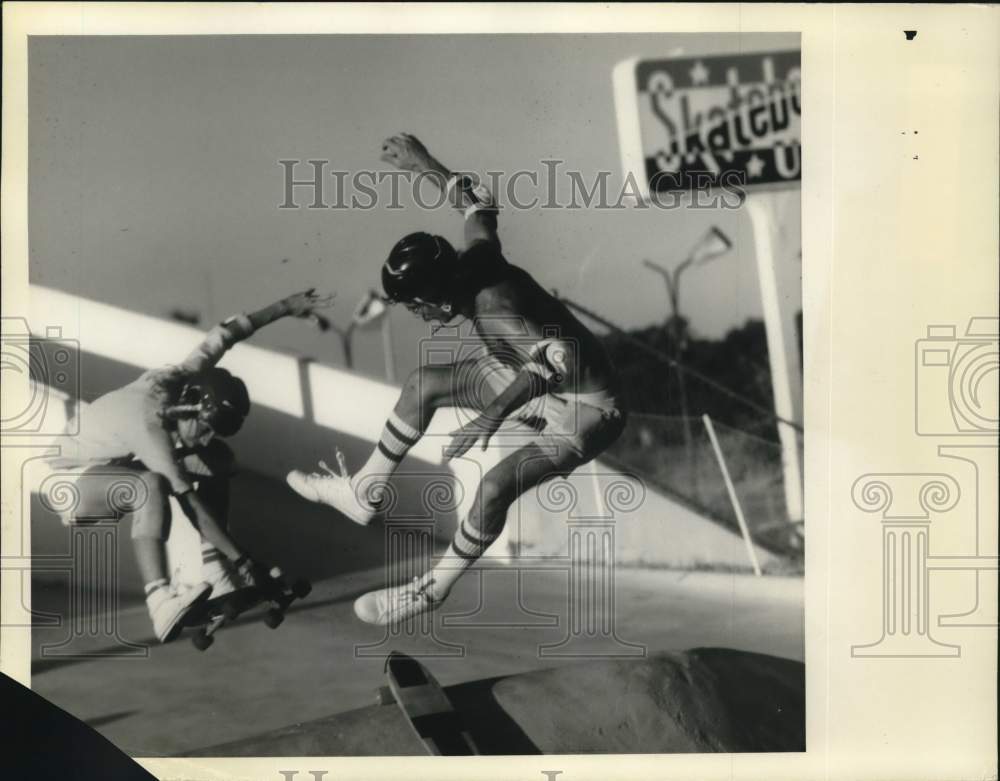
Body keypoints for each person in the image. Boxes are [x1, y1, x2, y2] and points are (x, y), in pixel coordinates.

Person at [287, 134, 625, 625]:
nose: (418, 317)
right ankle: (365, 489)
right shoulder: (476, 258)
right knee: (423, 384)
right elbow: (477, 203)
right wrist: (421, 162)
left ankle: (431, 589)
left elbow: (558, 362)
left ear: (438, 299)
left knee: (493, 487)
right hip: (531, 372)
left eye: (415, 308)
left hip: (586, 410)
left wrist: (490, 418)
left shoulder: (497, 313)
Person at [47, 289, 333, 642]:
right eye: (206, 427)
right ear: (191, 409)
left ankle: (215, 571)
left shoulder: (185, 381)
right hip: (67, 480)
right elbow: (192, 507)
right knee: (150, 485)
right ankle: (159, 601)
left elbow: (222, 337)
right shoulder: (148, 426)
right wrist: (245, 561)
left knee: (217, 458)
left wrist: (286, 307)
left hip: (111, 463)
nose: (206, 437)